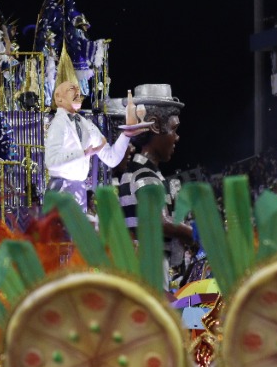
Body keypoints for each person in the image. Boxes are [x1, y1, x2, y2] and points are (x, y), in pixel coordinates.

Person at [114, 84, 195, 282]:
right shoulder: (143, 172)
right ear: (154, 125)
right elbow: (159, 221)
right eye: (174, 129)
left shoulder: (139, 171)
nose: (176, 137)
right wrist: (197, 235)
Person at [44, 80, 131, 215]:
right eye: (71, 89)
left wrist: (127, 134)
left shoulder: (87, 125)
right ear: (58, 97)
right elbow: (51, 161)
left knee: (78, 235)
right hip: (61, 190)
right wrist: (83, 153)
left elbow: (111, 158)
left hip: (79, 191)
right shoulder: (58, 124)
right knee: (61, 235)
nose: (78, 92)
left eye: (78, 89)